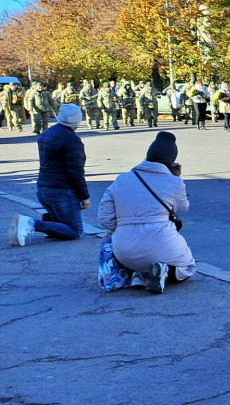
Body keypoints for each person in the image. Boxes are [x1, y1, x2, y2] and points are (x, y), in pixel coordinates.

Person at [97, 132, 194, 294]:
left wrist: (126, 225)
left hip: (124, 253)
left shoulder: (121, 179)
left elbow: (105, 219)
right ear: (171, 160)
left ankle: (139, 276)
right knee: (187, 266)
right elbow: (182, 208)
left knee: (137, 256)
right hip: (164, 246)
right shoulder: (174, 182)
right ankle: (164, 271)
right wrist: (176, 177)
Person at [8, 104, 91, 247]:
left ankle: (51, 224)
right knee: (76, 232)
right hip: (61, 191)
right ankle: (32, 223)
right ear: (77, 120)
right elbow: (75, 172)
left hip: (44, 188)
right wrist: (84, 197)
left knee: (64, 224)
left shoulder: (47, 133)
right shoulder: (71, 140)